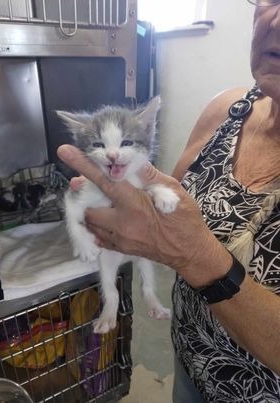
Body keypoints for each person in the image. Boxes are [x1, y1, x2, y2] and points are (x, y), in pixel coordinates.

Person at [58, 0, 280, 401]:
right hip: (191, 364)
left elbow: (182, 244)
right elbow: (160, 219)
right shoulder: (226, 110)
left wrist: (195, 256)